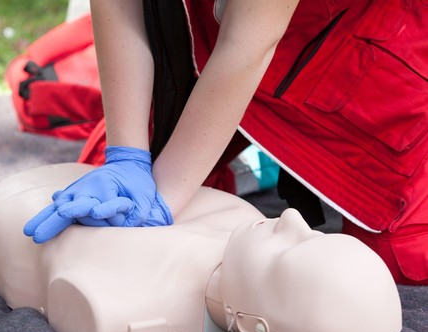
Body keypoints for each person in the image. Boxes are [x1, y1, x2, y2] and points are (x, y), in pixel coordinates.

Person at [24, 0, 428, 285]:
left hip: (357, 51)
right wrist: (125, 157)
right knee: (103, 186)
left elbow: (250, 40)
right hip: (210, 31)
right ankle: (257, 163)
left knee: (398, 257)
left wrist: (163, 201)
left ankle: (281, 157)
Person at [0, 163, 402, 332]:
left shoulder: (129, 297)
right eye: (315, 235)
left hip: (11, 213)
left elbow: (77, 295)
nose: (289, 218)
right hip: (47, 189)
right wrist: (128, 159)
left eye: (288, 249)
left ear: (255, 328)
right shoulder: (244, 222)